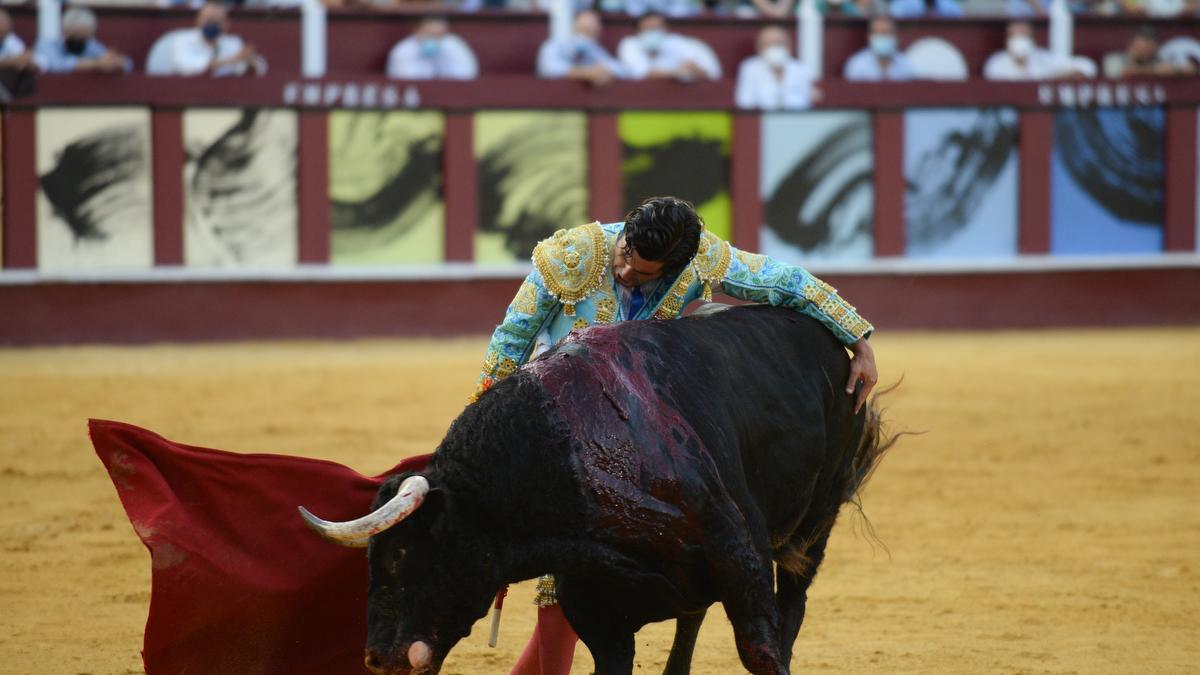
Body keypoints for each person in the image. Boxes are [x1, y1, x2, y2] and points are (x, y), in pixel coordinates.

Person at [476, 196, 879, 675]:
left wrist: (858, 339)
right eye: (625, 255)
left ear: (677, 266)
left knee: (580, 577)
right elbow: (508, 344)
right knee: (559, 578)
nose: (626, 272)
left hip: (637, 443)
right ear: (624, 232)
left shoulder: (702, 260)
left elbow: (783, 282)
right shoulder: (574, 254)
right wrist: (481, 434)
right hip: (560, 429)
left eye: (644, 273)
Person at [159, 2, 266, 77]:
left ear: (226, 25)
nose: (212, 24)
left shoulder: (233, 43)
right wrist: (233, 59)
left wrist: (249, 60)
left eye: (217, 21)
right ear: (198, 21)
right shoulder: (182, 40)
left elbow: (256, 69)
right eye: (208, 20)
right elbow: (188, 67)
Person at [616, 12, 721, 82]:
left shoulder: (676, 42)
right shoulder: (629, 44)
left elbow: (709, 74)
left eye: (657, 28)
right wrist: (676, 73)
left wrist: (694, 69)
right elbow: (643, 74)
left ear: (666, 29)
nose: (653, 32)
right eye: (648, 28)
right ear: (638, 32)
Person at [536, 10, 626, 85]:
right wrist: (586, 73)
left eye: (592, 31)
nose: (584, 40)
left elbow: (620, 70)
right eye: (585, 30)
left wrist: (603, 72)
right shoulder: (554, 45)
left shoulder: (594, 48)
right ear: (573, 27)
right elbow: (549, 69)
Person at [735, 26, 814, 110]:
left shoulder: (800, 68)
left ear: (789, 46)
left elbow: (805, 103)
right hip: (761, 119)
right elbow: (745, 103)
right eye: (769, 44)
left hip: (795, 119)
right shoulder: (750, 68)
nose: (775, 47)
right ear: (759, 47)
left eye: (779, 43)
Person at [33, 7, 131, 74]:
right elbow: (56, 65)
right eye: (75, 35)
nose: (79, 41)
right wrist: (95, 64)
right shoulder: (47, 44)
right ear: (65, 31)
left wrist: (116, 63)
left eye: (83, 37)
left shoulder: (90, 45)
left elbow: (128, 64)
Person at [386, 17, 479, 80]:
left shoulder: (454, 45)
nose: (434, 40)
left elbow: (466, 77)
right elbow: (406, 83)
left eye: (439, 36)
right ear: (417, 31)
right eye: (430, 34)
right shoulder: (403, 51)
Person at [983, 20, 1077, 80]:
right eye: (1015, 36)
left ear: (1032, 38)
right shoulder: (996, 62)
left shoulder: (1043, 57)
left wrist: (1060, 76)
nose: (1020, 40)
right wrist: (1019, 63)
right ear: (1008, 40)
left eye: (1024, 36)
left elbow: (1083, 67)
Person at [842, 15, 915, 81]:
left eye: (886, 32)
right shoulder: (856, 65)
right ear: (869, 37)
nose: (882, 37)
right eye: (877, 32)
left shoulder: (906, 65)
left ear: (896, 36)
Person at [1119, 25, 1197, 78]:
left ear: (1155, 49)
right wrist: (1154, 71)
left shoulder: (1159, 60)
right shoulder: (1116, 59)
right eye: (1139, 48)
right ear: (1131, 45)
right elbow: (1123, 72)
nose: (1143, 53)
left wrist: (1177, 70)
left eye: (1147, 50)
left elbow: (1189, 69)